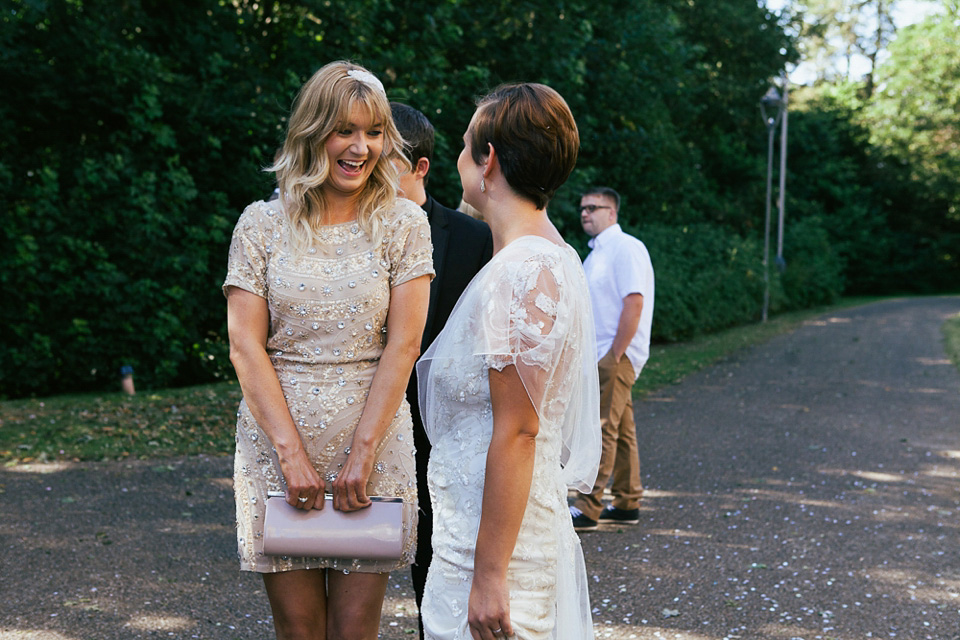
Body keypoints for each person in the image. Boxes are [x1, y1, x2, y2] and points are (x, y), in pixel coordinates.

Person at [222, 61, 434, 640]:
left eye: (372, 132)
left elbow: (405, 343)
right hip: (277, 445)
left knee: (355, 628)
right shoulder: (260, 225)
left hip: (372, 443)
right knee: (297, 628)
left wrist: (363, 452)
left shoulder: (404, 223)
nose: (360, 147)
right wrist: (290, 455)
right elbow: (245, 345)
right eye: (345, 130)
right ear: (313, 132)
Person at [416, 83, 602, 640]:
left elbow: (520, 429)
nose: (457, 158)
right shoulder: (539, 259)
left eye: (464, 143)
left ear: (488, 158)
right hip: (468, 533)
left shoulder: (524, 272)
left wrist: (491, 575)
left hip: (499, 550)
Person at [390, 102, 493, 638]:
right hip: (367, 426)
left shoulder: (474, 240)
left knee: (436, 569)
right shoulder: (349, 234)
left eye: (387, 161)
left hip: (439, 432)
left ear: (421, 167)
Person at [569, 187, 655, 532]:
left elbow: (634, 302)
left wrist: (614, 355)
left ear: (612, 213)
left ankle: (588, 507)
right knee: (621, 430)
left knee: (601, 428)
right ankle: (627, 500)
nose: (585, 213)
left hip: (615, 355)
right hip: (603, 354)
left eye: (593, 207)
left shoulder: (626, 247)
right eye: (582, 208)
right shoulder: (596, 255)